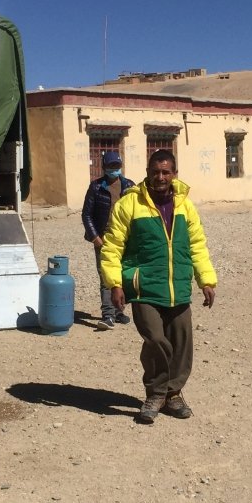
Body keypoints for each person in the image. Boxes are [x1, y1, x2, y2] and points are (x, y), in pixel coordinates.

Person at [100, 149, 217, 424]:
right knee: (155, 340)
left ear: (174, 174)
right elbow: (112, 246)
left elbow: (197, 245)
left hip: (178, 287)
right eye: (155, 172)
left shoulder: (185, 206)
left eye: (166, 172)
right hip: (144, 288)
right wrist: (115, 284)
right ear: (148, 173)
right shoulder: (129, 205)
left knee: (182, 343)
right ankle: (155, 392)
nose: (160, 177)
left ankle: (173, 394)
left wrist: (206, 280)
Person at [81, 150, 135, 328]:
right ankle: (108, 314)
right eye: (111, 166)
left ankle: (119, 311)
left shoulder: (129, 186)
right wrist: (95, 237)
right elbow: (87, 215)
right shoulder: (96, 187)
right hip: (104, 239)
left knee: (123, 275)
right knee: (106, 276)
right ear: (104, 167)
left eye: (117, 166)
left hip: (124, 238)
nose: (114, 169)